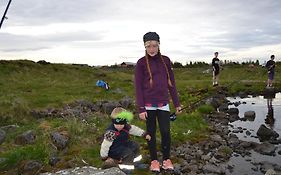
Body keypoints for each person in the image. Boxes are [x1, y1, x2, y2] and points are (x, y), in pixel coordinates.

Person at [134, 32, 181, 172]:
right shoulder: (141, 63)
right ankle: (154, 160)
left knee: (166, 132)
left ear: (159, 45)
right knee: (151, 133)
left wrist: (177, 104)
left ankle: (166, 159)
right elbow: (138, 87)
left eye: (154, 45)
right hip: (148, 106)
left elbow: (171, 84)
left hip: (163, 104)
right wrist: (141, 109)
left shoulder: (166, 60)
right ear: (145, 46)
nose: (152, 49)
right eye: (149, 46)